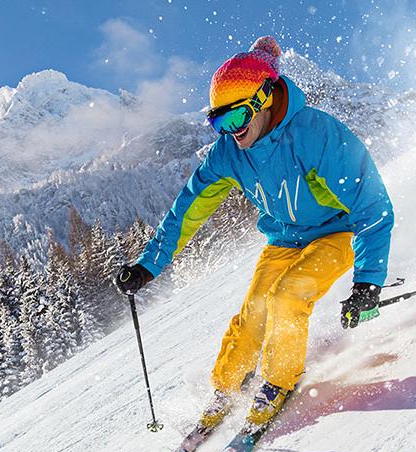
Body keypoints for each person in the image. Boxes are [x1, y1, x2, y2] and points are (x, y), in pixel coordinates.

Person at [113, 36, 394, 428]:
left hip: (336, 232)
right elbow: (187, 210)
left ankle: (278, 381)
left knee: (287, 296)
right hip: (283, 239)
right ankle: (227, 385)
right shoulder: (228, 153)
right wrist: (147, 266)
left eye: (235, 119)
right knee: (254, 313)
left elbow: (372, 204)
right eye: (218, 122)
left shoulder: (315, 134)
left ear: (264, 99)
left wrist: (367, 281)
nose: (230, 132)